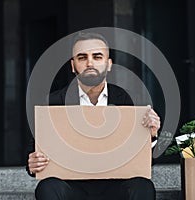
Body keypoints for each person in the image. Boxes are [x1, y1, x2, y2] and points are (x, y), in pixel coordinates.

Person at [26, 32, 161, 200]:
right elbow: (35, 150)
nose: (90, 63)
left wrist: (152, 135)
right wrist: (33, 164)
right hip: (72, 186)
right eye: (82, 58)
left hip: (116, 184)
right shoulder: (53, 102)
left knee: (142, 186)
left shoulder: (129, 100)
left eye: (97, 57)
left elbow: (146, 163)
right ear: (73, 65)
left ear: (109, 64)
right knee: (47, 187)